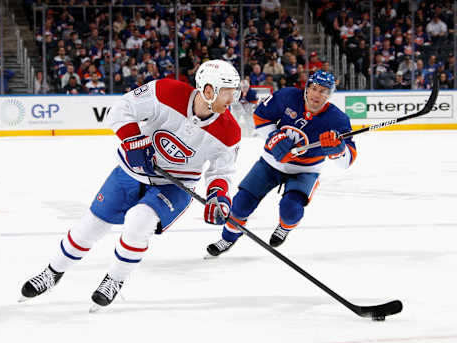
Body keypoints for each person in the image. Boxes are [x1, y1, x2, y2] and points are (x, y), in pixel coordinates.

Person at [20, 60, 242, 310]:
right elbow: (122, 108)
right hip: (131, 171)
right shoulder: (165, 91)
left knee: (139, 221)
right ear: (208, 90)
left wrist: (218, 195)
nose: (232, 98)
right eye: (227, 91)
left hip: (175, 185)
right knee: (89, 228)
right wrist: (132, 140)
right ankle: (53, 272)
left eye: (235, 91)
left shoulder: (230, 131)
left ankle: (114, 280)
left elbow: (222, 171)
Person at [206, 70, 357, 256]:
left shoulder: (338, 119)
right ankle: (227, 239)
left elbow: (347, 161)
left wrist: (338, 150)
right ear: (307, 88)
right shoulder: (287, 96)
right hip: (270, 163)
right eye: (314, 88)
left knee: (291, 210)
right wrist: (274, 137)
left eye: (324, 91)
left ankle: (284, 227)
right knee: (240, 205)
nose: (317, 95)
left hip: (306, 170)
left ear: (330, 94)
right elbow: (261, 116)